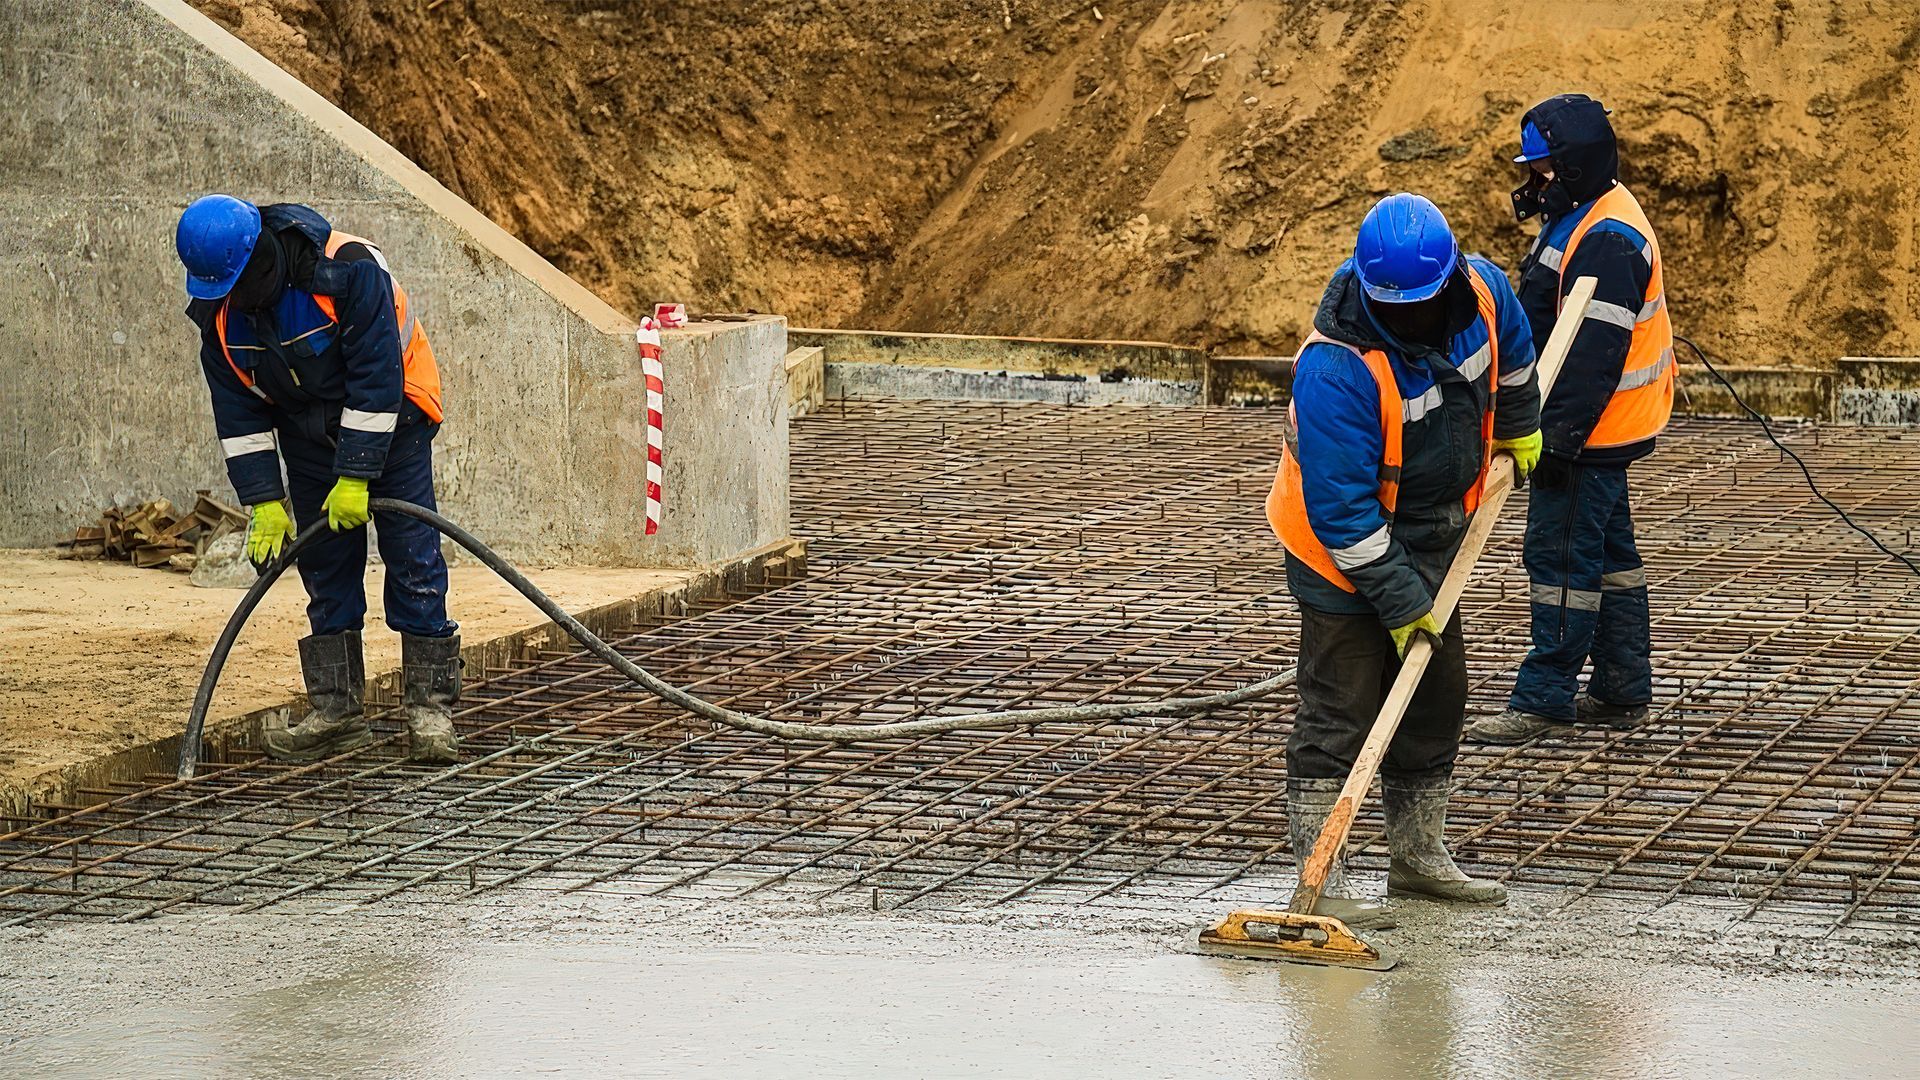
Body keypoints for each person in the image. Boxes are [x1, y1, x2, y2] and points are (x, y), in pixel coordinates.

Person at [1267, 193, 1541, 923]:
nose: (1413, 316)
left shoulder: (1482, 291)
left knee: (1435, 696)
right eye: (1398, 306)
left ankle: (1419, 860)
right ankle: (1324, 873)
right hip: (1340, 550)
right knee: (1342, 706)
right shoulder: (1336, 370)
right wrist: (1401, 604)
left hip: (1435, 531)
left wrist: (1520, 428)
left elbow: (1512, 360)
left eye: (1424, 300)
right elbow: (1346, 519)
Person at [176, 194, 460, 764]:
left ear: (259, 256)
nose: (228, 297)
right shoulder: (221, 318)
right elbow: (239, 415)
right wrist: (263, 500)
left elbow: (377, 378)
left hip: (395, 419)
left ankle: (430, 709)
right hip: (308, 437)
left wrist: (357, 475)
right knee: (326, 565)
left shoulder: (346, 271)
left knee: (412, 558)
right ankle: (337, 710)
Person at [1465, 95, 1675, 745]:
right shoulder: (1585, 214)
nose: (1533, 181)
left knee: (1558, 558)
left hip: (1589, 430)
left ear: (1574, 167)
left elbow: (1589, 358)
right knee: (1610, 557)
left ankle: (1543, 697)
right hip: (1602, 427)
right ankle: (1620, 687)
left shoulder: (1609, 238)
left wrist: (1552, 438)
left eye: (1543, 168)